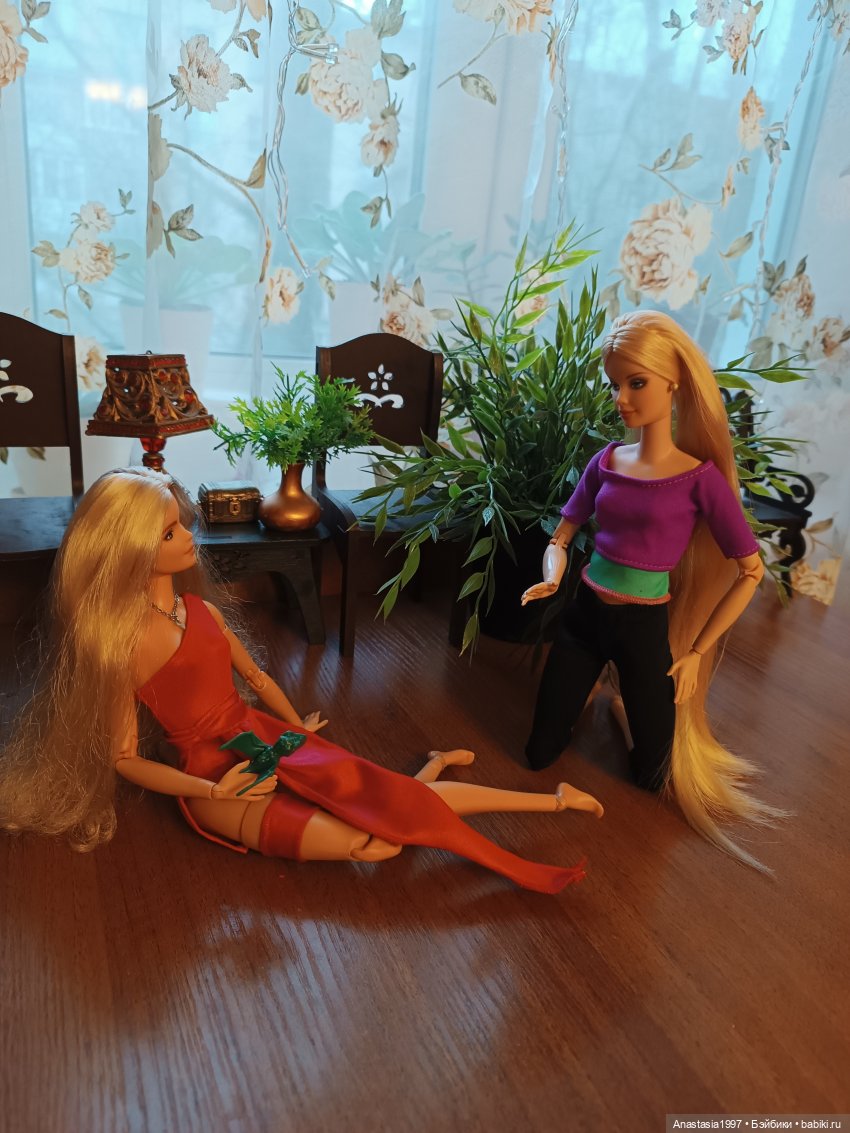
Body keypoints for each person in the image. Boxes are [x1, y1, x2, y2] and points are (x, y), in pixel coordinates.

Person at [0, 468, 603, 895]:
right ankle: (442, 769)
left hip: (264, 737)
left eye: (180, 525)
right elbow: (124, 757)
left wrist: (296, 728)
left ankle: (548, 799)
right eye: (168, 533)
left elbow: (258, 677)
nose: (187, 537)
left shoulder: (201, 612)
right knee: (376, 843)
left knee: (395, 803)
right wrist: (211, 791)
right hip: (218, 780)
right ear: (128, 548)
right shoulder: (120, 645)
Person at [521, 309, 783, 869]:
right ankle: (592, 699)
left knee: (653, 775)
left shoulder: (699, 480)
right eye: (614, 384)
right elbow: (563, 534)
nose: (621, 398)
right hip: (584, 616)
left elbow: (750, 571)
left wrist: (696, 651)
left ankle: (620, 707)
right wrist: (552, 572)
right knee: (538, 753)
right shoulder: (605, 461)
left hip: (643, 629)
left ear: (674, 382)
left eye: (635, 382)